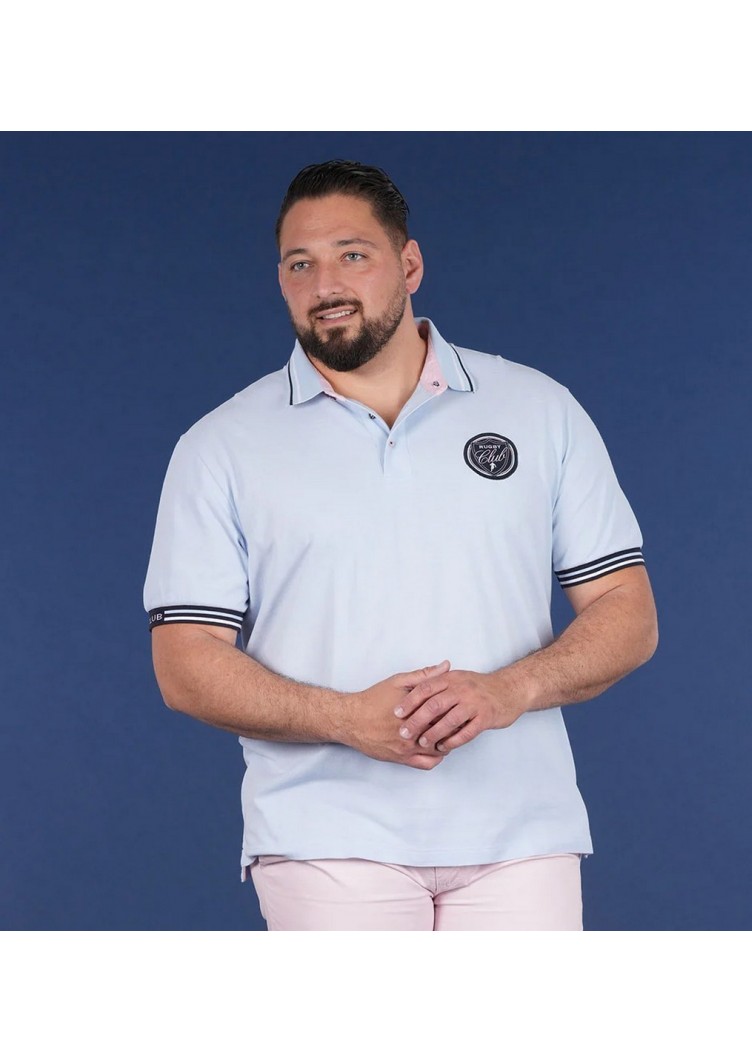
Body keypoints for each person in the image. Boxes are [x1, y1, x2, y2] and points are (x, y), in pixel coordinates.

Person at [144, 159, 658, 931]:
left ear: (409, 264)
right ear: (280, 281)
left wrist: (508, 691)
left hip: (523, 831)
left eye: (352, 254)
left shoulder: (539, 410)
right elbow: (184, 664)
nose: (325, 284)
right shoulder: (220, 446)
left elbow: (627, 611)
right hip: (326, 836)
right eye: (299, 264)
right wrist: (345, 718)